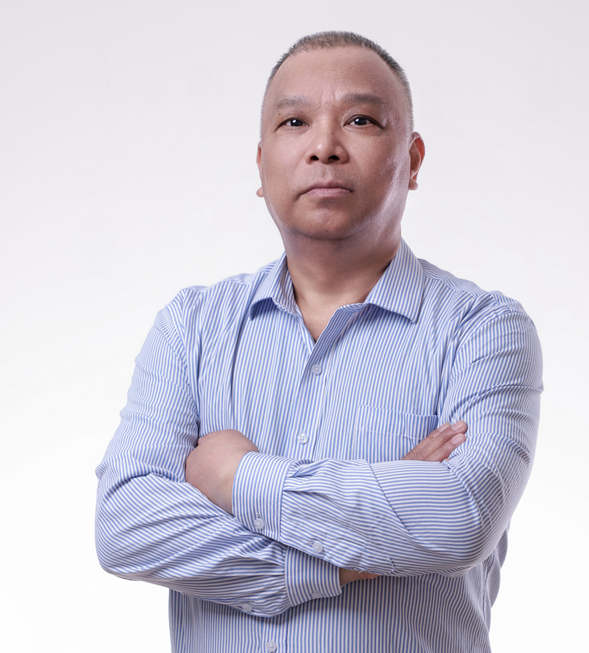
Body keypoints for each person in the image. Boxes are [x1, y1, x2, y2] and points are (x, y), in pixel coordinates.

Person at [95, 31, 543, 653]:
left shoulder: (483, 329)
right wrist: (348, 556)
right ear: (261, 165)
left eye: (360, 120)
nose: (324, 147)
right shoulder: (191, 327)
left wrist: (239, 477)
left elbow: (461, 517)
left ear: (413, 160)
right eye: (295, 122)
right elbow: (126, 526)